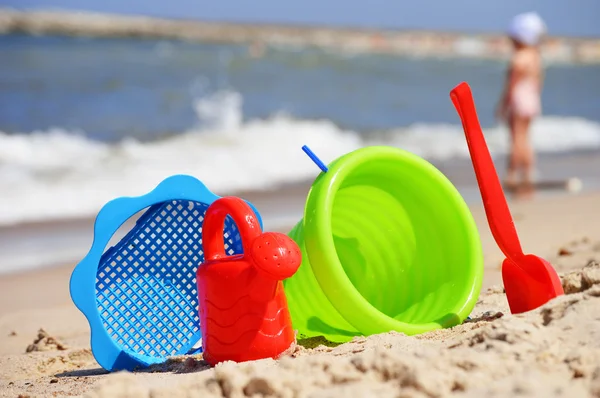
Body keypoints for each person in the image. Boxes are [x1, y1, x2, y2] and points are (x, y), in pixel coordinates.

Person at [496, 12, 547, 187]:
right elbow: (539, 82)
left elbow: (511, 85)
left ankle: (511, 173)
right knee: (525, 137)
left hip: (519, 99)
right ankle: (528, 172)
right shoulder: (535, 56)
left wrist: (503, 105)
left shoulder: (519, 58)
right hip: (532, 99)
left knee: (516, 137)